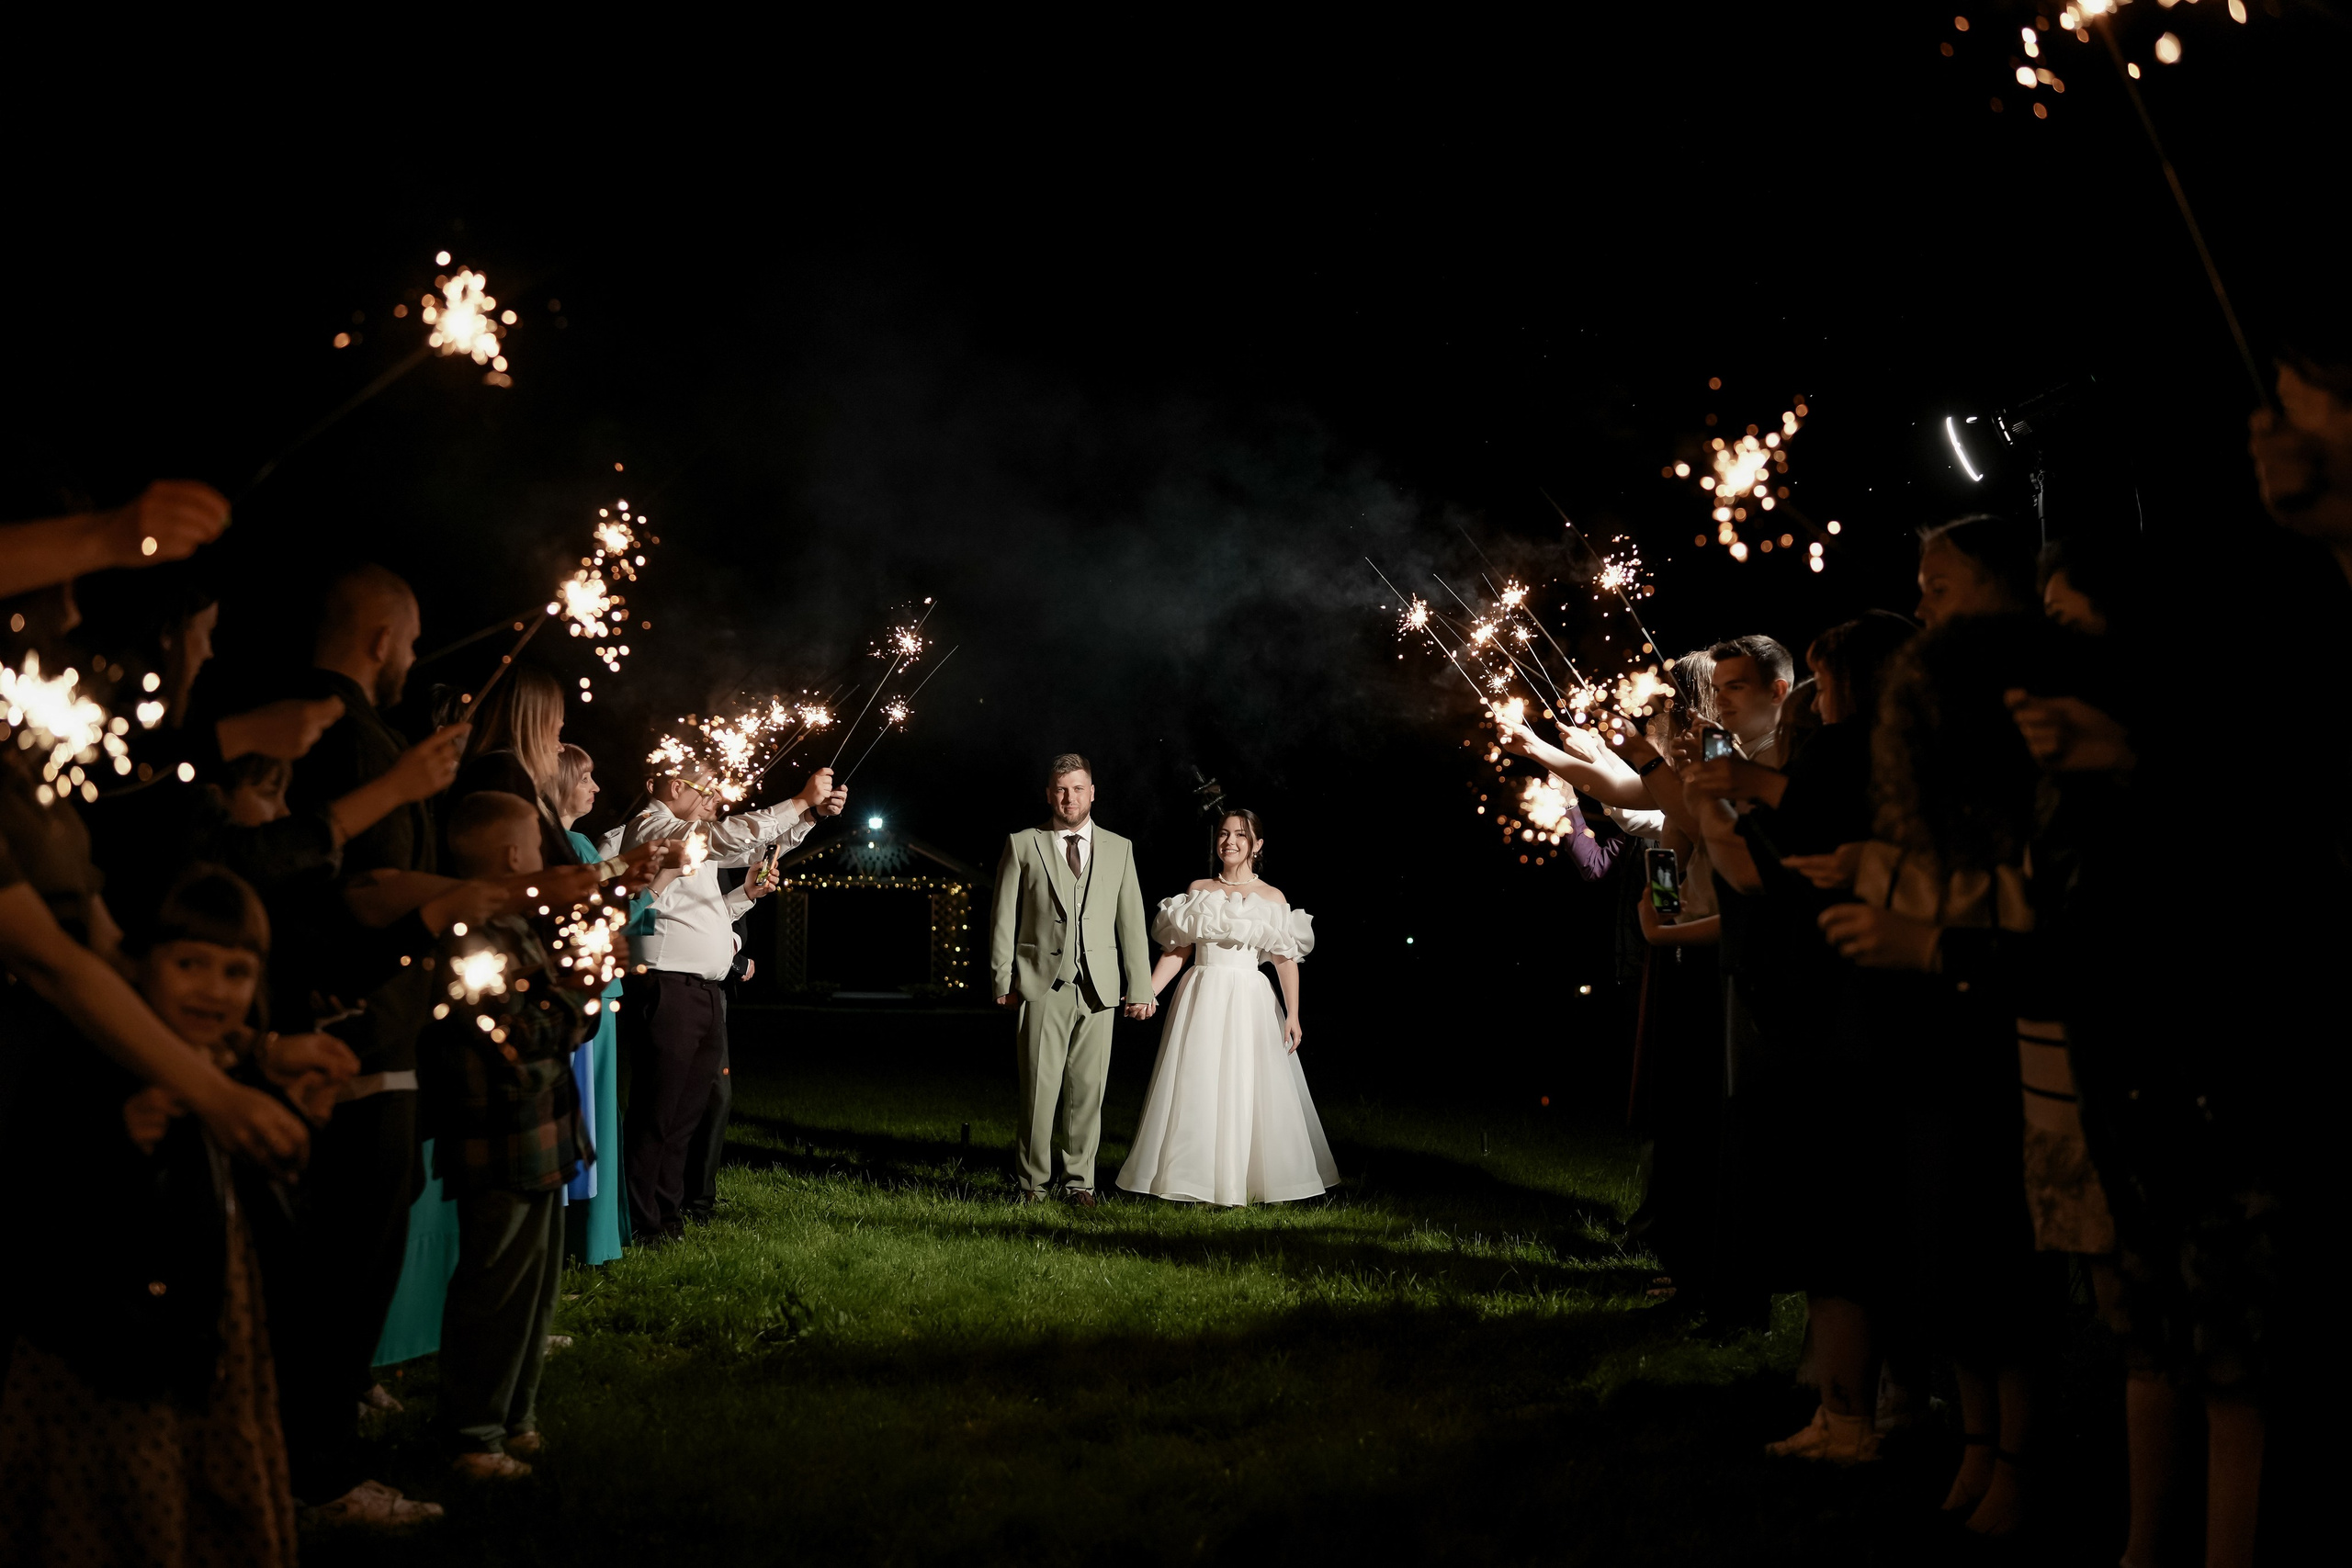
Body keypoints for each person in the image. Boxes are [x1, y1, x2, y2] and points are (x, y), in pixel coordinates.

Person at [0, 865, 351, 1563]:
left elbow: (269, 1229)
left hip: (212, 1346)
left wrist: (292, 1135)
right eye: (190, 964)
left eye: (235, 971)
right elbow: (49, 1215)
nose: (212, 989)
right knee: (119, 1514)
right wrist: (123, 1144)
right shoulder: (93, 1066)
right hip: (109, 1361)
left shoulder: (230, 1073)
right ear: (137, 964)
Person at [420, 792, 599, 1481]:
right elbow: (524, 1035)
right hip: (501, 1140)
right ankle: (471, 1433)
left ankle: (515, 1417)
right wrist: (586, 982)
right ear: (509, 855)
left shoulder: (517, 924)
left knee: (534, 1289)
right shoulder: (474, 938)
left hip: (542, 1136)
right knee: (495, 1289)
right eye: (534, 842)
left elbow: (560, 1016)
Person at [608, 761, 843, 1243]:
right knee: (657, 1113)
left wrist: (808, 818)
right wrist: (797, 801)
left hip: (705, 992)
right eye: (708, 791)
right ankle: (636, 1221)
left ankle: (666, 1219)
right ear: (676, 786)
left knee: (686, 1116)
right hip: (667, 987)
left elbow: (750, 848)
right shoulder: (652, 827)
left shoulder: (697, 842)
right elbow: (726, 838)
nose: (717, 802)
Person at [1117, 809, 1332, 1206]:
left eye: (1240, 835)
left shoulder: (1271, 897)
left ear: (1257, 845)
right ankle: (1192, 1177)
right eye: (1223, 834)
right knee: (1196, 1082)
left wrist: (1293, 1014)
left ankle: (1249, 1179)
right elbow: (1178, 950)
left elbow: (1285, 959)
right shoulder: (1200, 889)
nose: (1229, 841)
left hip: (1248, 999)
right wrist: (1147, 992)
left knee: (1248, 1083)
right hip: (1201, 994)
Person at [989, 754, 1156, 1207]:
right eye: (1062, 789)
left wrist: (1140, 987)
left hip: (1099, 989)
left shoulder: (1119, 848)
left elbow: (1132, 923)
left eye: (1078, 788)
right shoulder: (1025, 843)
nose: (1070, 798)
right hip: (1041, 984)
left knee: (1089, 1093)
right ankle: (1032, 1185)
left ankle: (1080, 1183)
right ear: (1049, 794)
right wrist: (1003, 979)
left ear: (1092, 792)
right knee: (1039, 1093)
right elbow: (1004, 918)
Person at [555, 742, 628, 1262]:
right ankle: (586, 1238)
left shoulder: (576, 843)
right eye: (586, 779)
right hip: (586, 998)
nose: (596, 788)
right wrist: (651, 881)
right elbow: (608, 914)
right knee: (590, 1115)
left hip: (590, 993)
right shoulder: (572, 845)